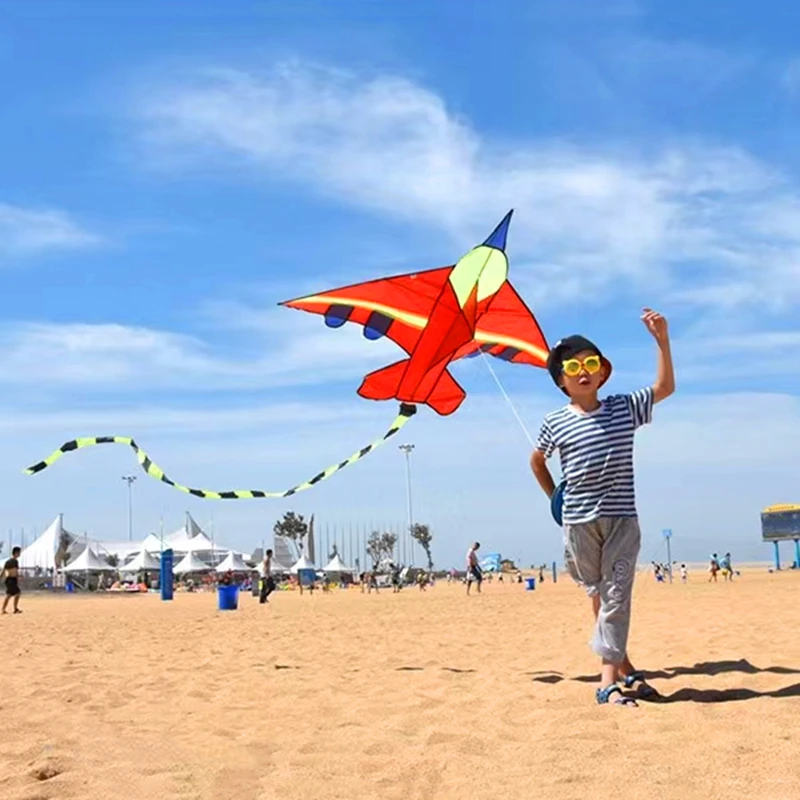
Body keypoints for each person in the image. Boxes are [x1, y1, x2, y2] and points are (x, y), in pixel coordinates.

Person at [529, 309, 674, 707]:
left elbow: (664, 387)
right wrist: (553, 498)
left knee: (615, 595)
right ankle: (624, 666)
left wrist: (661, 340)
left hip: (621, 520)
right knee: (599, 593)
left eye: (591, 363)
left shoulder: (623, 408)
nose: (583, 371)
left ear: (602, 372)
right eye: (573, 367)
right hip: (577, 522)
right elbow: (537, 460)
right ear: (561, 381)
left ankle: (607, 679)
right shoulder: (555, 421)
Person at [2, 547, 22, 614]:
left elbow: (3, 571)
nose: (19, 554)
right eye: (19, 552)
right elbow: (15, 571)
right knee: (15, 593)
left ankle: (5, 609)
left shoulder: (8, 561)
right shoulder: (14, 561)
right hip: (11, 580)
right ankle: (13, 609)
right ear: (16, 553)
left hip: (9, 580)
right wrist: (18, 576)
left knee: (11, 594)